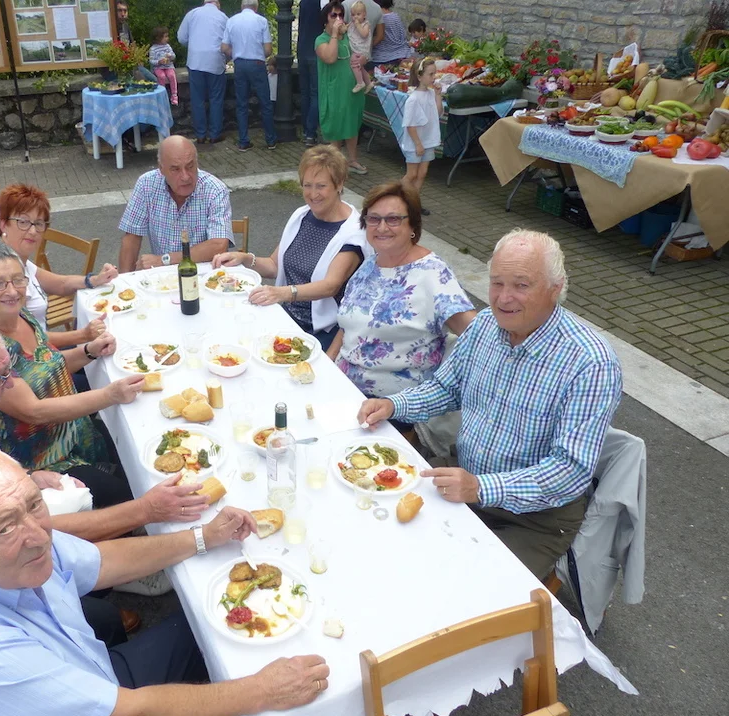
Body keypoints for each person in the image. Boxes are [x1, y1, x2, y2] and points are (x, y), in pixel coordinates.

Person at [0, 447, 331, 716]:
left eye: (35, 505)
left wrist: (204, 536)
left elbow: (100, 562)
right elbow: (132, 714)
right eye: (3, 527)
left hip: (89, 677)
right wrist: (261, 691)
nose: (39, 536)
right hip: (104, 704)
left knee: (204, 630)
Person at [0, 318, 201, 631]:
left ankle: (104, 589)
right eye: (1, 375)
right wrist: (147, 510)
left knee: (102, 502)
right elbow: (34, 533)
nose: (11, 384)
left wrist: (30, 475)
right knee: (105, 621)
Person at [357, 229, 623, 580]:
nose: (503, 298)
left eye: (521, 285)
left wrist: (482, 488)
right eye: (497, 283)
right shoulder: (484, 325)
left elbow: (570, 471)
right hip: (463, 478)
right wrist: (393, 406)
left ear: (555, 288)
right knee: (378, 533)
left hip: (532, 519)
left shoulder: (590, 362)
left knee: (467, 589)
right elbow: (446, 388)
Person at [0, 243, 143, 487]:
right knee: (126, 491)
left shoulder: (18, 314)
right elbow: (33, 411)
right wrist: (110, 395)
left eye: (18, 280)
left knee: (136, 455)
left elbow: (47, 366)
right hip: (46, 460)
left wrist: (89, 351)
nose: (12, 291)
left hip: (75, 429)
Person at [327, 181, 474, 456]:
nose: (382, 227)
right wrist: (327, 363)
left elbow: (475, 331)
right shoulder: (371, 263)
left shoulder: (432, 273)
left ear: (413, 226)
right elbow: (348, 324)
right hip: (344, 387)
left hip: (394, 407)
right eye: (374, 219)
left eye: (393, 219)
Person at [212, 145, 368, 349]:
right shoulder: (302, 216)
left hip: (322, 331)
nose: (313, 194)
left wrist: (283, 293)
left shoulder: (353, 231)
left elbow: (331, 286)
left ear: (339, 184)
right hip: (286, 319)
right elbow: (274, 265)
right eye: (307, 185)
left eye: (321, 186)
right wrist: (245, 259)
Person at [0, 184, 117, 344]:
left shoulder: (16, 259)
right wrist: (84, 336)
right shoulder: (6, 273)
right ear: (3, 224)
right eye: (23, 222)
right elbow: (26, 340)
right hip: (34, 355)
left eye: (38, 223)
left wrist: (95, 279)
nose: (32, 231)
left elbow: (61, 284)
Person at [118, 135, 233, 271]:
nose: (185, 176)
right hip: (162, 277)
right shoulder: (146, 184)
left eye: (190, 166)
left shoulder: (215, 189)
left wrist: (164, 260)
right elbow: (131, 237)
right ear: (161, 169)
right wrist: (124, 281)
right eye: (175, 169)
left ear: (197, 163)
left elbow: (219, 245)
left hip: (205, 274)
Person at [316, 1, 369, 175]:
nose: (338, 18)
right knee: (336, 127)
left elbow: (362, 51)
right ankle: (336, 165)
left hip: (352, 91)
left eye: (341, 15)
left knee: (352, 125)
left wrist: (363, 58)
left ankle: (352, 160)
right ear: (326, 19)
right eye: (334, 15)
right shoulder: (321, 40)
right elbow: (330, 58)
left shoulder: (348, 36)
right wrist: (334, 34)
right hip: (334, 92)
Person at [221, 0, 277, 152]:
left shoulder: (232, 21)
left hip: (240, 64)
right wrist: (258, 54)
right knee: (265, 103)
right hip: (257, 64)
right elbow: (268, 49)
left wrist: (236, 53)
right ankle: (270, 140)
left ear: (242, 6)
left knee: (241, 104)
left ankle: (243, 141)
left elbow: (224, 47)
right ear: (256, 7)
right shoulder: (261, 21)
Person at [178, 0, 228, 145]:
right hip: (215, 61)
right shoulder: (223, 17)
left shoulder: (192, 14)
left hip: (196, 61)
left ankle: (200, 135)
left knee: (197, 99)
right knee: (216, 99)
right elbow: (229, 41)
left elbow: (181, 38)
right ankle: (215, 134)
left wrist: (194, 44)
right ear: (217, 2)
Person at [401, 56, 442, 217]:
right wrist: (418, 143)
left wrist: (438, 95)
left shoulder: (431, 94)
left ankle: (413, 203)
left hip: (428, 140)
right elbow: (410, 124)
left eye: (434, 74)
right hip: (416, 142)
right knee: (411, 174)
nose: (434, 77)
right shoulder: (413, 99)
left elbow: (438, 112)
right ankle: (396, 196)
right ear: (419, 76)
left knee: (422, 173)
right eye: (430, 74)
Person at [297, 0, 324, 146]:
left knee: (305, 93)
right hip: (317, 50)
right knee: (316, 94)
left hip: (302, 50)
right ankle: (310, 132)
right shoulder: (323, 2)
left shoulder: (304, 2)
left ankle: (306, 130)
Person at [113, 0, 157, 82]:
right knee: (137, 82)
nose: (123, 14)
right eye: (119, 10)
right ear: (114, 11)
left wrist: (138, 58)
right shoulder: (110, 27)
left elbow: (132, 44)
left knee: (153, 80)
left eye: (125, 11)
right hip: (114, 69)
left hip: (130, 65)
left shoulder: (126, 26)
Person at [372, 0, 411, 67]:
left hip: (382, 58)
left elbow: (379, 37)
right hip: (401, 54)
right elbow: (402, 36)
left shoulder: (378, 18)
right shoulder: (395, 16)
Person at [346, 1, 375, 93]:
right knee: (360, 67)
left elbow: (364, 34)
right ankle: (368, 82)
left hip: (362, 50)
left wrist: (358, 25)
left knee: (354, 63)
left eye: (358, 14)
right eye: (353, 14)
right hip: (355, 49)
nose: (355, 17)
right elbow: (346, 28)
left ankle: (360, 82)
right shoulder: (352, 23)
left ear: (364, 14)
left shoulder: (366, 24)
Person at [149, 27, 178, 105]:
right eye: (165, 37)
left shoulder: (167, 46)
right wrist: (158, 62)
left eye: (167, 36)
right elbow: (151, 61)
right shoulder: (153, 49)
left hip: (168, 66)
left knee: (171, 76)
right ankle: (162, 94)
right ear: (158, 38)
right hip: (158, 67)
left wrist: (170, 56)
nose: (167, 38)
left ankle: (174, 95)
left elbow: (174, 56)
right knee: (161, 76)